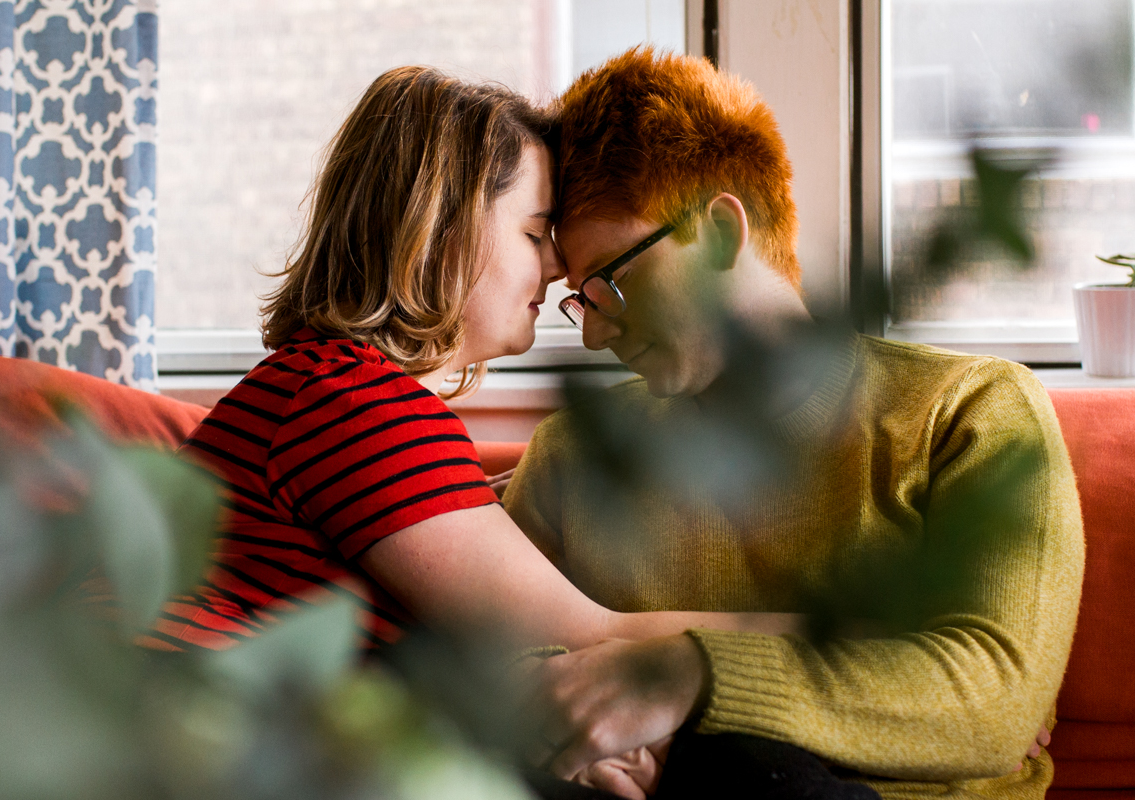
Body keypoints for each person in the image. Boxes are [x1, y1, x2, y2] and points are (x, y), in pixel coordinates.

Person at [144, 65, 818, 797]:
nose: (560, 267)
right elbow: (588, 637)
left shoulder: (323, 389)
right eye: (535, 233)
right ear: (440, 231)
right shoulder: (347, 399)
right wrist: (857, 640)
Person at [504, 47, 1082, 800]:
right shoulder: (575, 451)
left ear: (717, 232)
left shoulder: (972, 413)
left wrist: (689, 675)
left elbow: (994, 701)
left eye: (609, 281)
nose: (593, 334)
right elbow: (494, 661)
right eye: (579, 298)